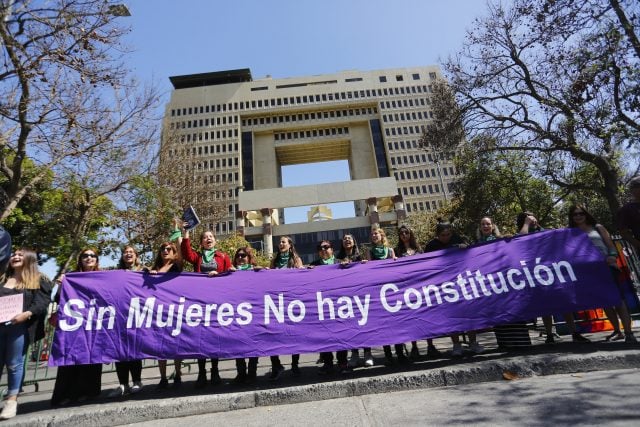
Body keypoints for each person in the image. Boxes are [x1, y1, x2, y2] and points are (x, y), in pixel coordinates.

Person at [516, 212, 589, 344]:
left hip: (553, 271)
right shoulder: (523, 230)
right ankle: (549, 335)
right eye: (527, 216)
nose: (531, 217)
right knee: (545, 305)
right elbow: (520, 239)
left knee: (565, 303)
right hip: (536, 273)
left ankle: (574, 332)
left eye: (532, 215)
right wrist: (526, 223)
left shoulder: (544, 231)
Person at [569, 205, 637, 343]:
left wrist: (612, 256)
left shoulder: (598, 228)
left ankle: (629, 333)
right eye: (575, 214)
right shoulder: (570, 233)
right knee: (605, 302)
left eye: (581, 213)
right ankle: (617, 331)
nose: (578, 216)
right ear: (571, 217)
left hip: (607, 267)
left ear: (586, 214)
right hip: (588, 272)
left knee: (619, 300)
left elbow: (611, 246)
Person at [0, 248, 52, 419]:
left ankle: (11, 400)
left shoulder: (38, 280)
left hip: (19, 328)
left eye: (20, 255)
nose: (15, 257)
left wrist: (26, 314)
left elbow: (42, 302)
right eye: (13, 254)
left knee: (15, 364)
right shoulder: (2, 278)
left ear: (29, 259)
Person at [181, 228, 233, 388]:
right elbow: (186, 253)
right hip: (199, 302)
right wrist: (186, 234)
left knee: (214, 337)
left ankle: (215, 371)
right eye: (205, 237)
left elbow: (231, 274)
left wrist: (220, 274)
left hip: (217, 302)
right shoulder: (198, 257)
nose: (208, 239)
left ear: (215, 240)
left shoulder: (223, 256)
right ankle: (202, 372)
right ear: (202, 242)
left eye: (211, 237)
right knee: (201, 338)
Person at [51, 248, 103, 406]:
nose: (89, 258)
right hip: (74, 325)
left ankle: (87, 392)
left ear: (96, 260)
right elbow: (59, 298)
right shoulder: (71, 277)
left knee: (91, 359)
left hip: (94, 324)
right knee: (70, 358)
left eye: (92, 255)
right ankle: (65, 394)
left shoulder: (102, 277)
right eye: (85, 255)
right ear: (80, 259)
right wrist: (61, 284)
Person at [423, 221, 484, 356]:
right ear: (437, 235)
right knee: (452, 317)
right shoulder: (431, 246)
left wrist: (465, 248)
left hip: (461, 283)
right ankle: (456, 345)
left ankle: (473, 343)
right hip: (444, 286)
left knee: (468, 315)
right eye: (443, 235)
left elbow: (470, 255)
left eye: (448, 234)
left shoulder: (459, 239)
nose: (446, 237)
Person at [367, 227, 409, 366]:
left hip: (391, 292)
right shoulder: (370, 252)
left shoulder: (390, 251)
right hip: (378, 292)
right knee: (384, 325)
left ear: (382, 235)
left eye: (376, 233)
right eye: (372, 234)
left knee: (396, 323)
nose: (374, 236)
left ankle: (400, 353)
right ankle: (388, 355)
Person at [108, 246, 144, 397]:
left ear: (136, 256)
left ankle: (137, 382)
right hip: (120, 316)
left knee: (134, 350)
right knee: (120, 351)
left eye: (131, 252)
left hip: (138, 315)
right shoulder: (115, 274)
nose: (128, 254)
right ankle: (123, 384)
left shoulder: (144, 271)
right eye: (125, 252)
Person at [147, 242, 184, 389]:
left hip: (174, 310)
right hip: (158, 311)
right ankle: (163, 378)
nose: (165, 251)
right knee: (160, 346)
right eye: (162, 249)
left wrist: (181, 234)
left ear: (174, 252)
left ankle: (178, 374)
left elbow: (181, 254)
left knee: (175, 345)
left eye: (169, 249)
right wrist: (147, 271)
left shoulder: (176, 266)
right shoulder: (154, 269)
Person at [309, 240, 348, 375]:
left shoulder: (340, 263)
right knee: (324, 335)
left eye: (326, 247)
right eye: (320, 248)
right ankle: (328, 363)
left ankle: (342, 362)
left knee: (341, 333)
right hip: (322, 306)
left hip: (339, 305)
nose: (323, 250)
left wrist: (349, 267)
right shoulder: (313, 266)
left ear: (332, 249)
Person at [269, 236, 304, 380]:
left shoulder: (296, 260)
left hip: (291, 302)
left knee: (293, 334)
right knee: (271, 334)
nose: (281, 244)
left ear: (290, 245)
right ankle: (276, 365)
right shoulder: (274, 261)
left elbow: (301, 276)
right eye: (280, 242)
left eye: (284, 242)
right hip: (276, 302)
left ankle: (294, 364)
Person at [335, 234, 368, 371]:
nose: (347, 240)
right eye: (344, 239)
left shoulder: (362, 257)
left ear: (354, 242)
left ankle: (367, 353)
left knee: (364, 325)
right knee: (351, 328)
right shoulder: (338, 260)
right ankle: (354, 354)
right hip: (345, 300)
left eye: (349, 238)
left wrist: (365, 265)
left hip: (360, 296)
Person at [231, 246, 261, 384]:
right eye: (238, 256)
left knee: (253, 343)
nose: (240, 258)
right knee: (238, 343)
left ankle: (252, 372)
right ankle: (241, 373)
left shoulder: (256, 272)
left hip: (253, 314)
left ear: (249, 258)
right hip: (236, 314)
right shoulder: (230, 272)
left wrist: (264, 272)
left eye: (243, 256)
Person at [395, 225, 424, 360]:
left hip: (420, 286)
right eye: (401, 233)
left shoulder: (418, 249)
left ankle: (430, 345)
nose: (404, 235)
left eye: (406, 232)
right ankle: (414, 347)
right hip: (405, 288)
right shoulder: (398, 251)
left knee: (424, 315)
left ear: (410, 234)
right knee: (411, 318)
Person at [617, 176, 640, 253]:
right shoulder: (627, 209)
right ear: (632, 190)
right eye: (638, 185)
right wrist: (638, 245)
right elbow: (623, 232)